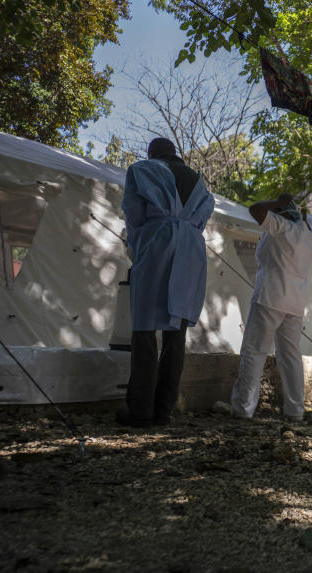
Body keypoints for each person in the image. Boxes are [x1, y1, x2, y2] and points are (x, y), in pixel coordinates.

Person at [117, 137, 215, 428]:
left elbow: (133, 217)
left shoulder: (142, 170)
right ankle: (163, 410)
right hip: (190, 249)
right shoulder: (198, 182)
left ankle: (140, 410)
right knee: (176, 335)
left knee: (144, 330)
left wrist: (137, 249)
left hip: (157, 241)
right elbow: (204, 214)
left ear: (152, 154)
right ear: (176, 154)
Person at [231, 193, 312, 422]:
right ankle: (295, 410)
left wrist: (274, 203)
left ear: (281, 213)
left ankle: (243, 409)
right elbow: (301, 224)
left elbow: (255, 209)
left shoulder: (281, 227)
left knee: (254, 351)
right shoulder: (309, 238)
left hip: (269, 298)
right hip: (295, 303)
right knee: (290, 356)